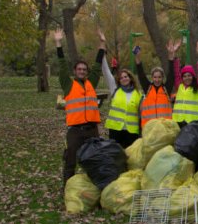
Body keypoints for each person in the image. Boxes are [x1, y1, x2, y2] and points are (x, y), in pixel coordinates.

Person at [55, 27, 104, 184]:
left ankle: (95, 187)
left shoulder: (91, 82)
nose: (82, 71)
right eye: (79, 69)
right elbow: (62, 66)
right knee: (70, 161)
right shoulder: (68, 84)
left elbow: (97, 65)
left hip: (92, 130)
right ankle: (67, 189)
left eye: (84, 69)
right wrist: (58, 43)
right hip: (75, 131)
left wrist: (102, 44)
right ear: (75, 71)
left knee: (95, 159)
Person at [98, 30, 142, 148]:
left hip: (132, 132)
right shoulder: (115, 89)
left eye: (126, 76)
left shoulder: (138, 94)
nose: (123, 79)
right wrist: (102, 51)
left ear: (130, 78)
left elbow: (141, 113)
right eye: (121, 77)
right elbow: (106, 71)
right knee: (115, 157)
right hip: (115, 129)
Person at [134, 38, 178, 130]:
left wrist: (171, 56)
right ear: (152, 78)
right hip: (149, 127)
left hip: (164, 127)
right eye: (155, 77)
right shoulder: (148, 88)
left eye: (159, 77)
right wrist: (137, 57)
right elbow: (141, 74)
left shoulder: (166, 89)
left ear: (162, 78)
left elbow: (171, 75)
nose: (157, 79)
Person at [171, 41, 198, 127]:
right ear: (182, 78)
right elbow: (176, 71)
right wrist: (174, 53)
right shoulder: (180, 86)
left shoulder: (197, 87)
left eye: (189, 75)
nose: (187, 78)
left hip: (193, 123)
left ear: (193, 76)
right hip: (178, 122)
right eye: (185, 76)